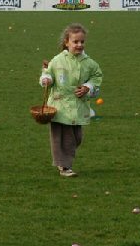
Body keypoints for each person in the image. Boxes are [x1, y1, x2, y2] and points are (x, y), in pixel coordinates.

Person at [39, 23, 103, 177]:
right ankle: (64, 167)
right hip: (59, 106)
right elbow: (48, 73)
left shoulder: (89, 63)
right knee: (61, 138)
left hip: (78, 106)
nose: (79, 45)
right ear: (67, 42)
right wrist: (46, 79)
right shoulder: (58, 60)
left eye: (82, 42)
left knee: (76, 138)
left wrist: (88, 87)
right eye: (75, 42)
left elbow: (97, 77)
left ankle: (64, 161)